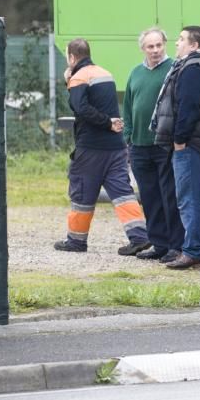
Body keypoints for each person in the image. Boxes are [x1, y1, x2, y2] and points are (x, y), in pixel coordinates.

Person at [54, 38, 149, 254]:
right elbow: (96, 101)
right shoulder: (105, 73)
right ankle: (139, 237)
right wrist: (110, 123)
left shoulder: (79, 77)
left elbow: (81, 107)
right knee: (123, 193)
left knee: (82, 192)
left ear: (71, 57)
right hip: (116, 147)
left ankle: (76, 241)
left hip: (91, 148)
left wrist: (106, 122)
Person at [152, 26, 200, 270]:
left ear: (194, 45)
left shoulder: (192, 69)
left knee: (190, 200)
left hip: (193, 144)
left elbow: (187, 108)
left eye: (181, 39)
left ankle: (193, 251)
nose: (176, 43)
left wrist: (179, 140)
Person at [124, 27, 183, 264]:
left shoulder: (173, 70)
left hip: (163, 144)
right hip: (138, 145)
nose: (155, 50)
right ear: (143, 48)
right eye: (150, 46)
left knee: (169, 195)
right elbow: (128, 106)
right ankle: (158, 243)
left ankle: (175, 245)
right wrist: (128, 135)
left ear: (165, 45)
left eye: (159, 45)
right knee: (149, 196)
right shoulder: (135, 73)